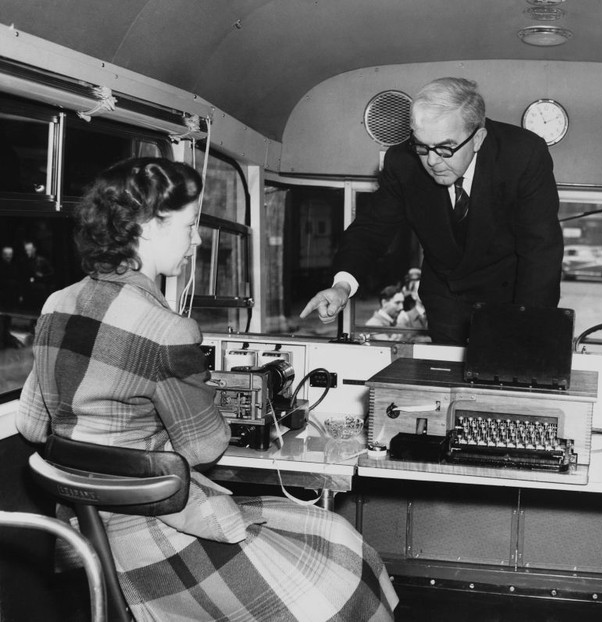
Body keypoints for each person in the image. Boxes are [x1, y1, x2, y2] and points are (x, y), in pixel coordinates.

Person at [16, 157, 398, 622]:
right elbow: (203, 447)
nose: (197, 239)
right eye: (190, 224)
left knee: (330, 534)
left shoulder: (56, 305)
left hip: (81, 531)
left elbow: (33, 424)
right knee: (341, 552)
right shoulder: (167, 328)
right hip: (155, 533)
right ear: (151, 227)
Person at [300, 77, 563, 345]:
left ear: (478, 139)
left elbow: (541, 250)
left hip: (513, 294)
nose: (433, 161)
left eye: (446, 148)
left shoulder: (523, 155)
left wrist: (529, 327)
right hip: (447, 298)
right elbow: (372, 228)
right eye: (423, 147)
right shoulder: (403, 162)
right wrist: (341, 286)